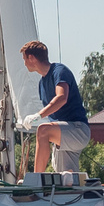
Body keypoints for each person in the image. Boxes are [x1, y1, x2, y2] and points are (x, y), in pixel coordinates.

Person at [21, 41, 89, 177]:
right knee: (67, 177)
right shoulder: (42, 83)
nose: (24, 63)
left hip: (77, 130)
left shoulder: (59, 71)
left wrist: (38, 116)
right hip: (64, 134)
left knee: (43, 130)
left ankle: (36, 179)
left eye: (24, 59)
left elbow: (61, 98)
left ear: (32, 58)